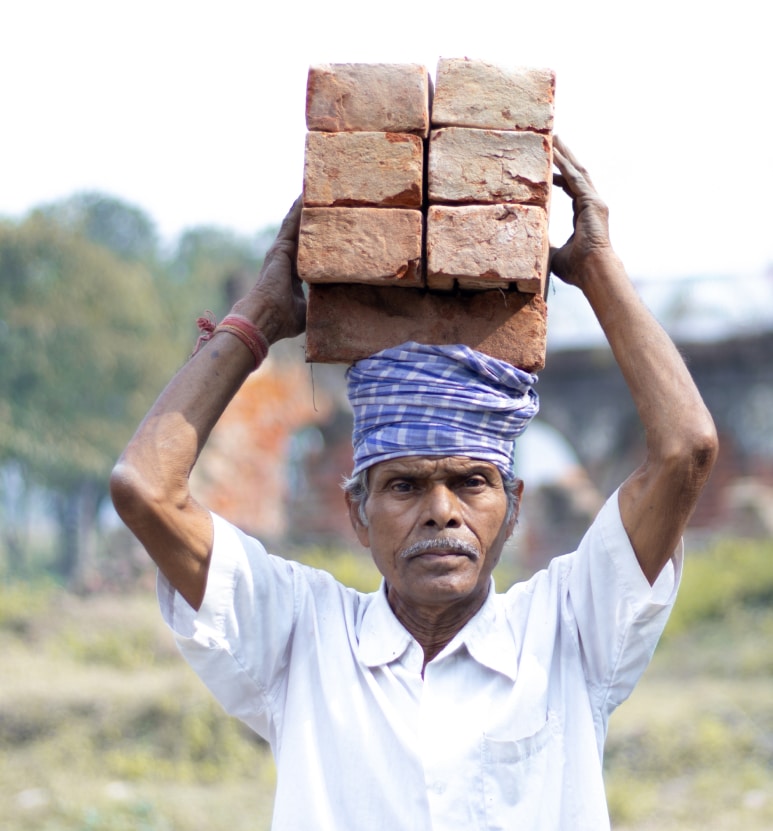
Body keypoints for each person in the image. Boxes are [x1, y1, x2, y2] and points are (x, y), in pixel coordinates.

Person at [110, 137, 718, 830]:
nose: (440, 511)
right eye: (403, 485)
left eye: (470, 482)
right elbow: (144, 488)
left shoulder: (569, 627)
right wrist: (261, 319)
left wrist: (597, 267)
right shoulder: (299, 633)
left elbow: (686, 449)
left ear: (512, 506)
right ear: (356, 511)